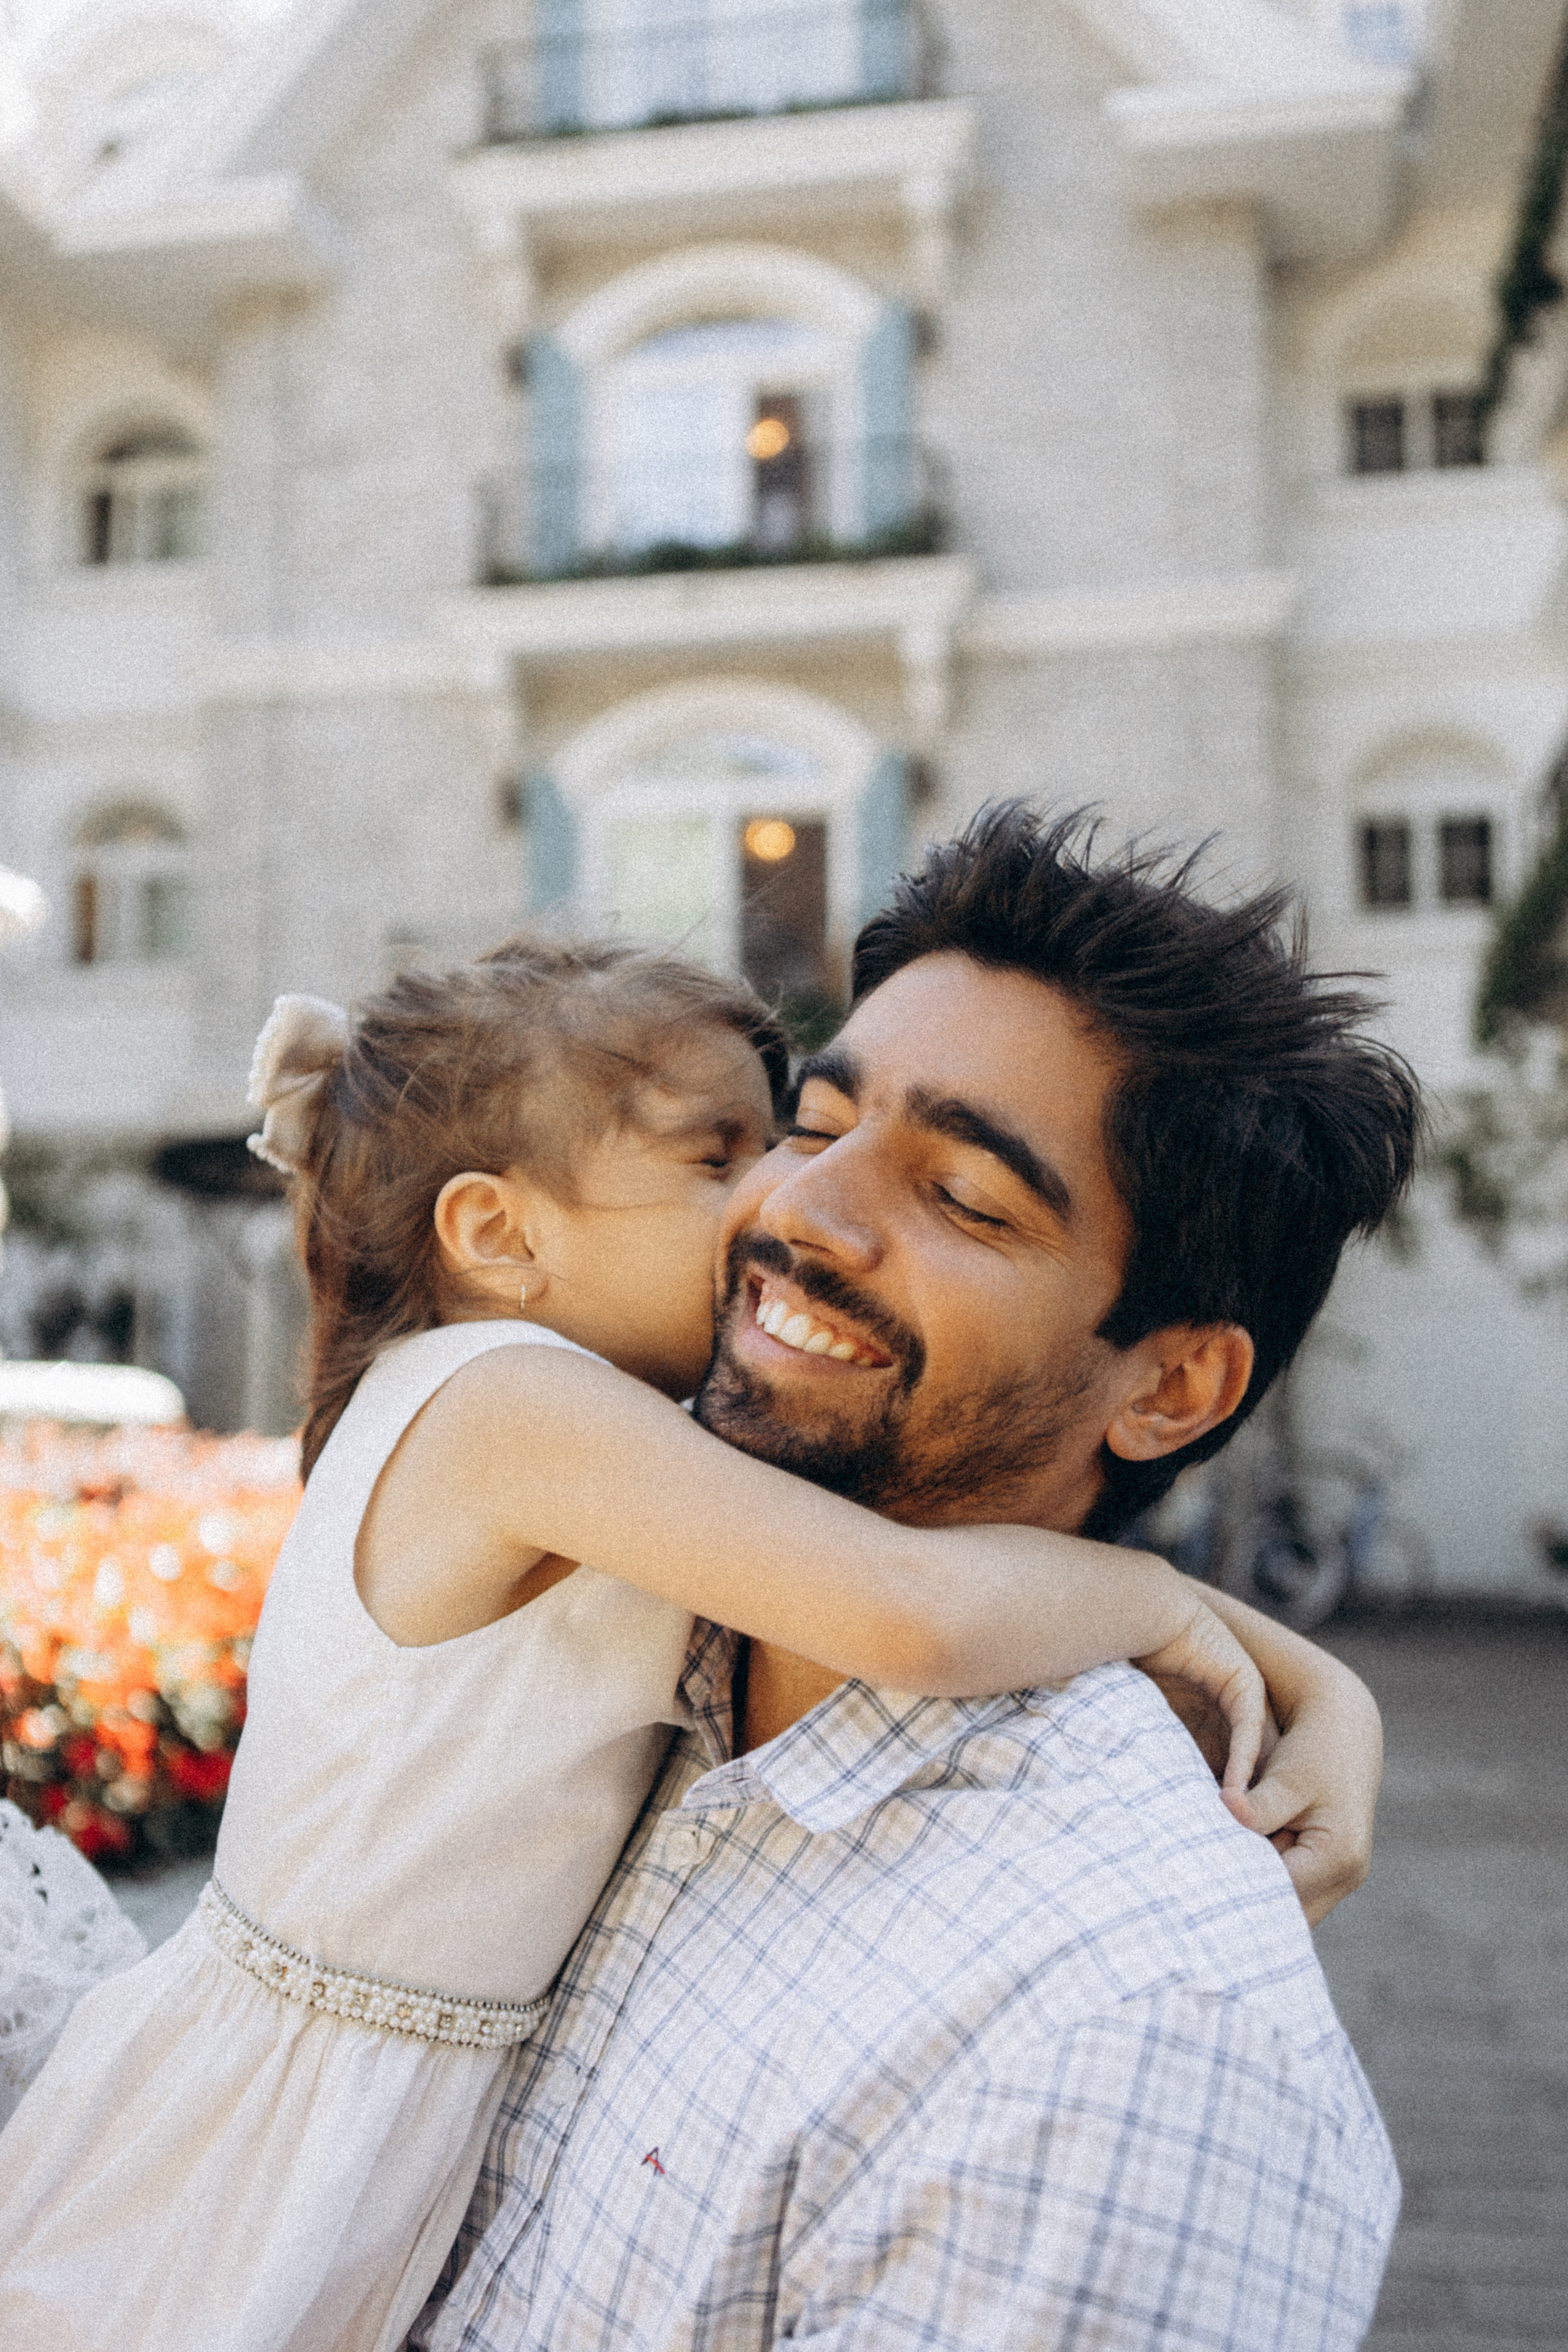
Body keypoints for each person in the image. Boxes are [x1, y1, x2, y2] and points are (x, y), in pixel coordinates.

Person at [0, 930, 1298, 2352]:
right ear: (499, 1233)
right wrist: (1170, 1609)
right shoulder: (510, 1405)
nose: (773, 1198)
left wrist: (1299, 1680)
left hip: (346, 2103)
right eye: (718, 1153)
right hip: (266, 2134)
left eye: (770, 1137)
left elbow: (891, 1574)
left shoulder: (578, 1424)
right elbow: (907, 1607)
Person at [415, 807, 1420, 2352]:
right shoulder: (615, 1627)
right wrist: (1287, 1666)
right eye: (810, 1126)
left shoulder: (1122, 2045)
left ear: (1169, 1389)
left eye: (962, 1197)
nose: (796, 1211)